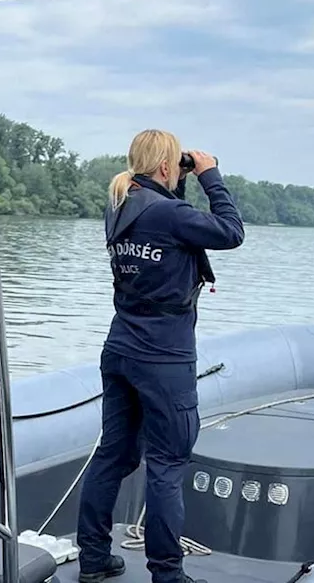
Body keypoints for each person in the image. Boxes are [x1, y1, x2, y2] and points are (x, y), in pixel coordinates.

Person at [75, 129, 244, 583]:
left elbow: (170, 223)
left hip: (121, 348)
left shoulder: (120, 206)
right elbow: (231, 233)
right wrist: (211, 176)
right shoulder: (169, 214)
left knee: (113, 454)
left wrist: (181, 177)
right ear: (168, 167)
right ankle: (167, 575)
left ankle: (93, 560)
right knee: (167, 464)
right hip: (164, 357)